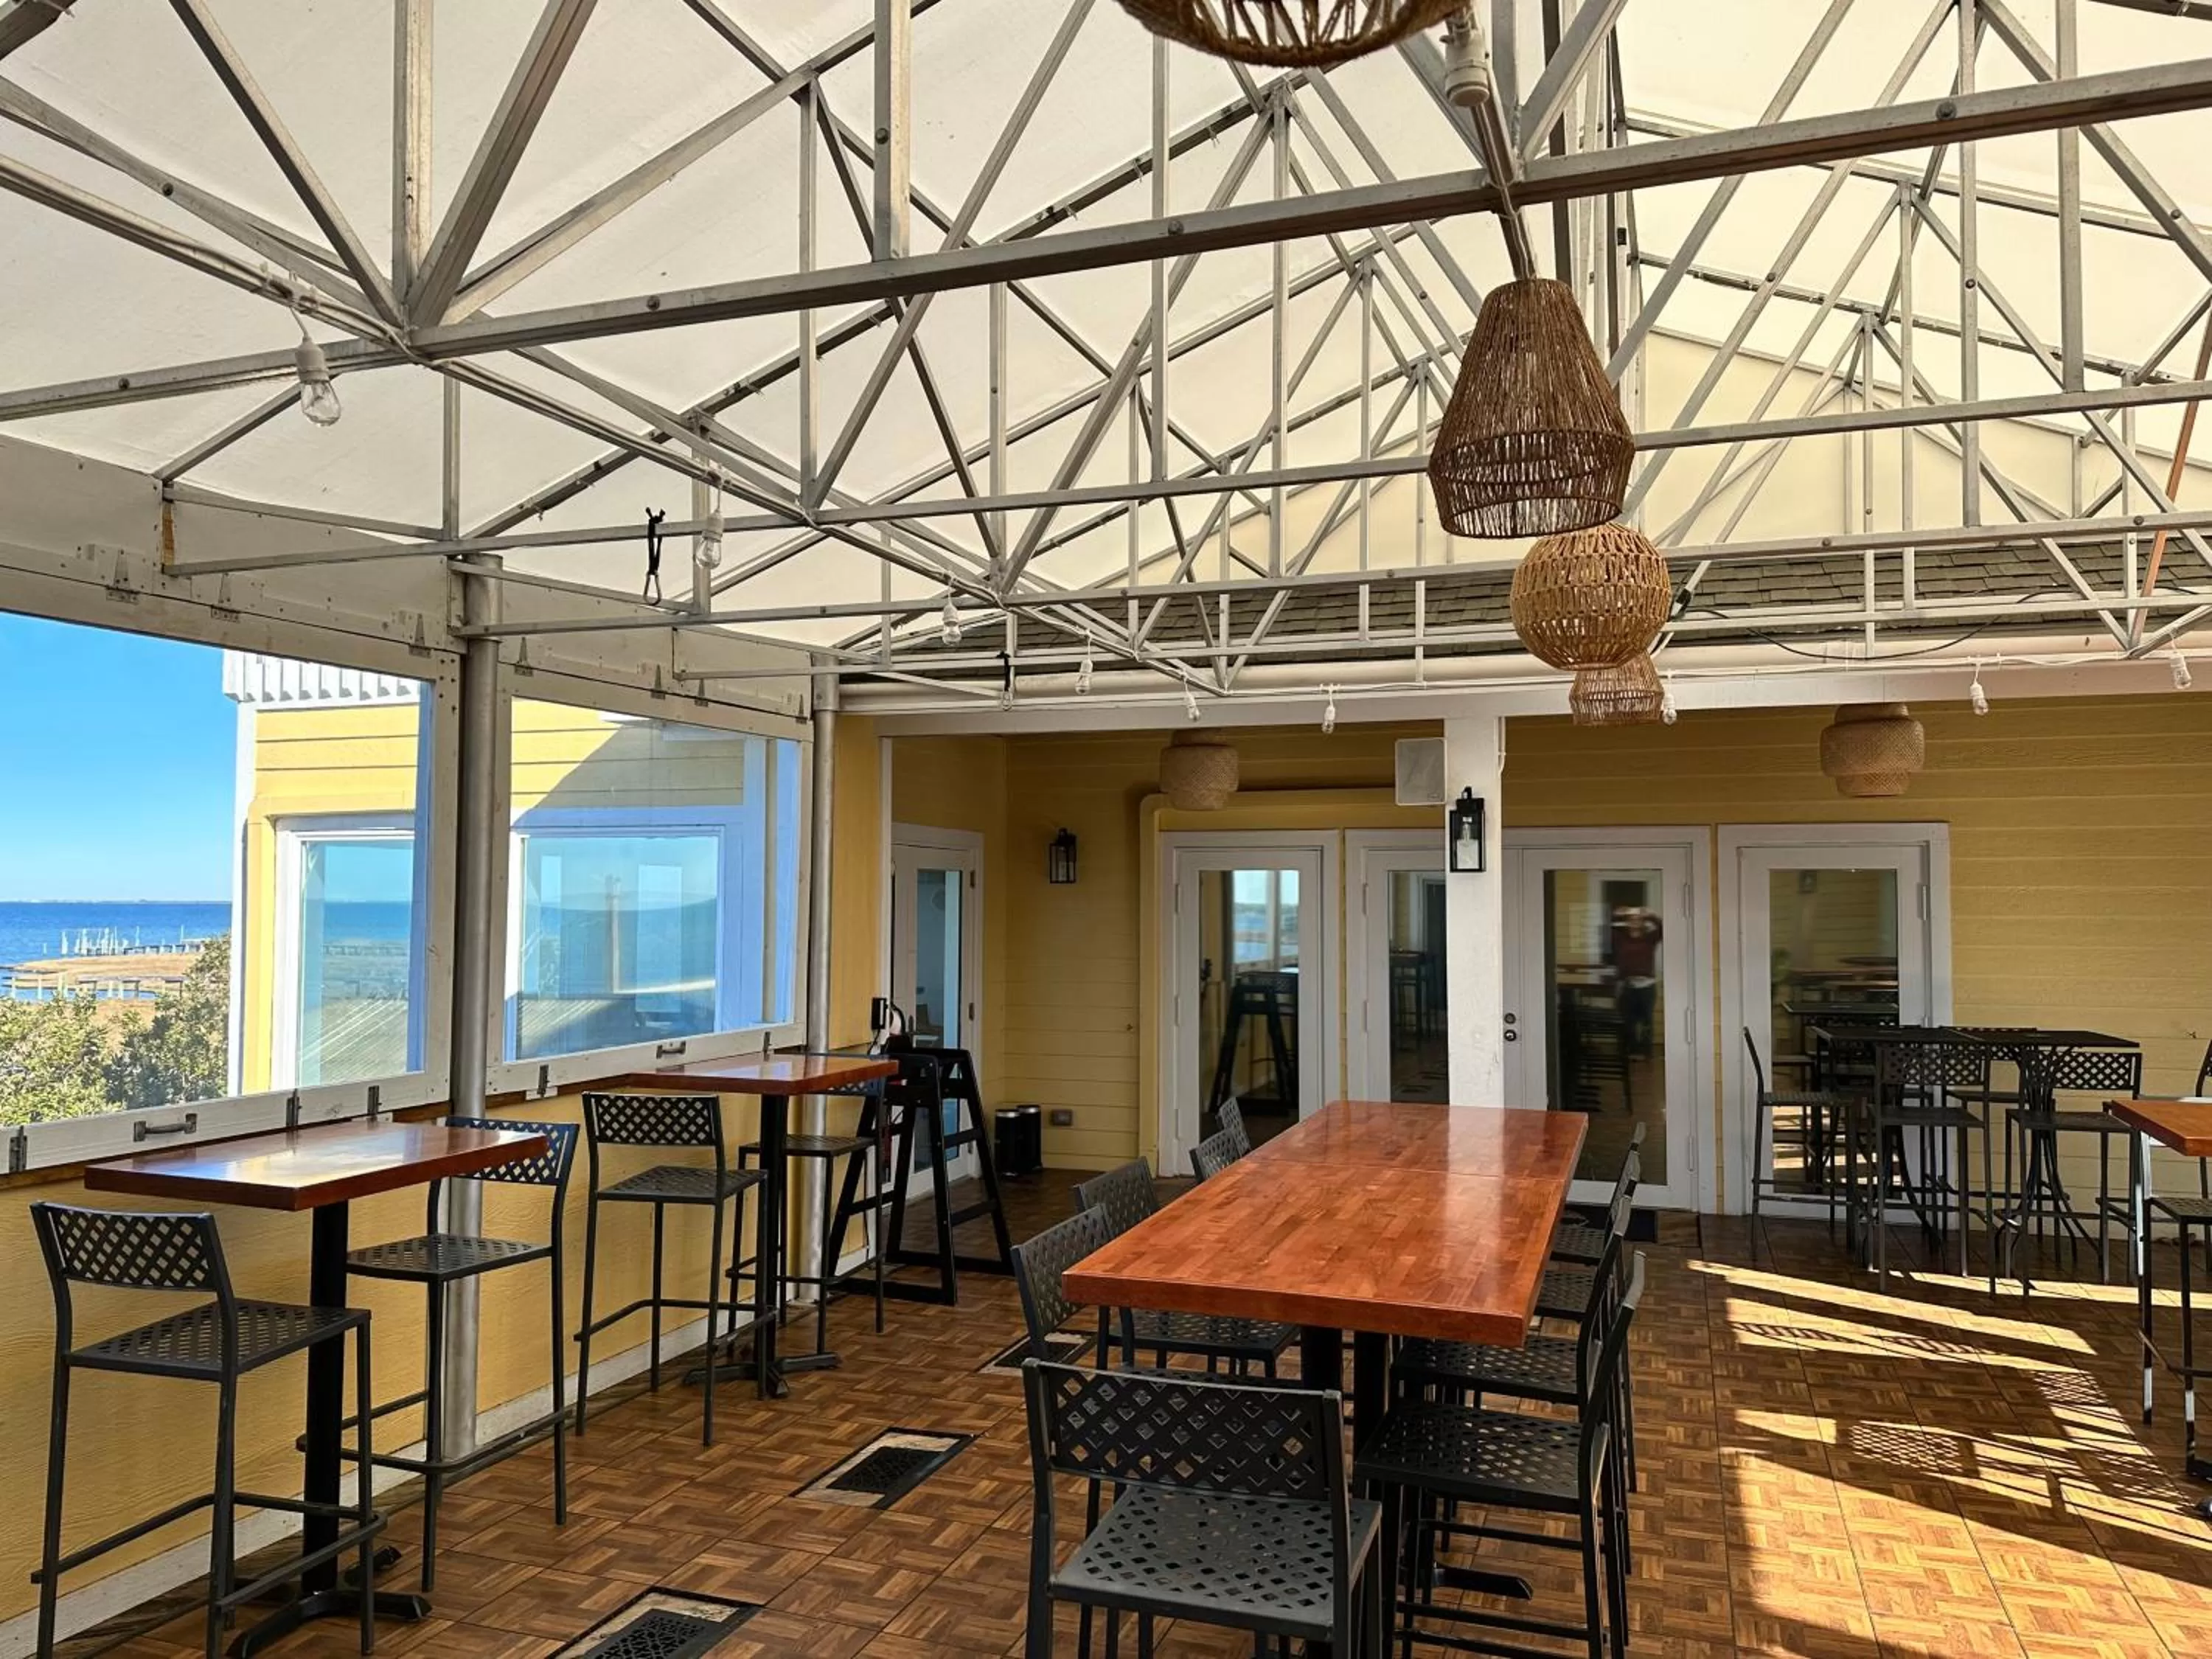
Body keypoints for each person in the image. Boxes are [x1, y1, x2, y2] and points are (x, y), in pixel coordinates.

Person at [1611, 906, 1663, 1059]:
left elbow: (1664, 928)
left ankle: (1646, 1052)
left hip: (1647, 985)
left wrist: (1651, 915)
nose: (1635, 922)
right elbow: (1604, 927)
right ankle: (1632, 1051)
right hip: (1627, 985)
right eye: (1631, 920)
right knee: (1629, 1020)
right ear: (1627, 922)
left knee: (1647, 1019)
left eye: (1638, 919)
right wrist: (1617, 915)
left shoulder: (1650, 939)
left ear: (1643, 922)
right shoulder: (1620, 938)